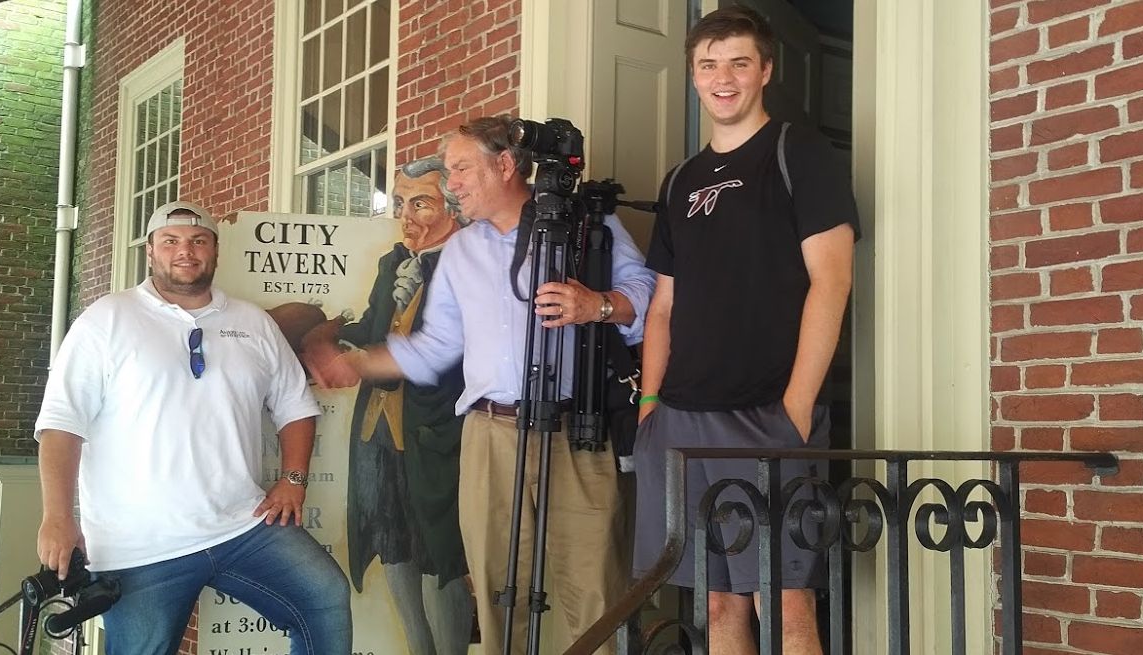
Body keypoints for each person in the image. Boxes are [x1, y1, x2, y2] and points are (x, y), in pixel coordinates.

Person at [314, 115, 656, 655]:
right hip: (489, 435)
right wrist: (359, 364)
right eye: (449, 172)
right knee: (500, 591)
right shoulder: (460, 252)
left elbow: (648, 291)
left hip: (578, 432)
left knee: (593, 589)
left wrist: (599, 305)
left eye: (461, 169)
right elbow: (435, 347)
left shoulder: (588, 224)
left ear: (505, 165)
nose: (452, 184)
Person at [632, 6, 859, 655]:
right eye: (708, 65)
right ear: (693, 75)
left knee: (784, 601)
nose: (722, 78)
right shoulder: (679, 180)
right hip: (679, 420)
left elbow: (832, 280)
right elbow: (664, 307)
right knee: (717, 599)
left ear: (764, 69)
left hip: (768, 416)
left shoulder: (798, 153)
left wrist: (795, 408)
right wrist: (650, 406)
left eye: (737, 62)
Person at [33, 200, 352, 655]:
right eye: (171, 241)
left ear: (215, 251)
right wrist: (58, 516)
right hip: (139, 548)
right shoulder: (106, 320)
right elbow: (62, 425)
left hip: (244, 527)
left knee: (324, 599)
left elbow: (294, 405)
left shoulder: (253, 322)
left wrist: (293, 480)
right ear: (151, 251)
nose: (186, 251)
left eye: (199, 240)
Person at [298, 156, 474, 655]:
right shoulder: (393, 262)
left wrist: (359, 362)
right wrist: (328, 335)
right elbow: (378, 326)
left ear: (454, 207)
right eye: (400, 202)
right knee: (393, 546)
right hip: (378, 432)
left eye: (422, 202)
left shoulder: (469, 262)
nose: (407, 215)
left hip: (436, 432)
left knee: (439, 557)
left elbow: (452, 350)